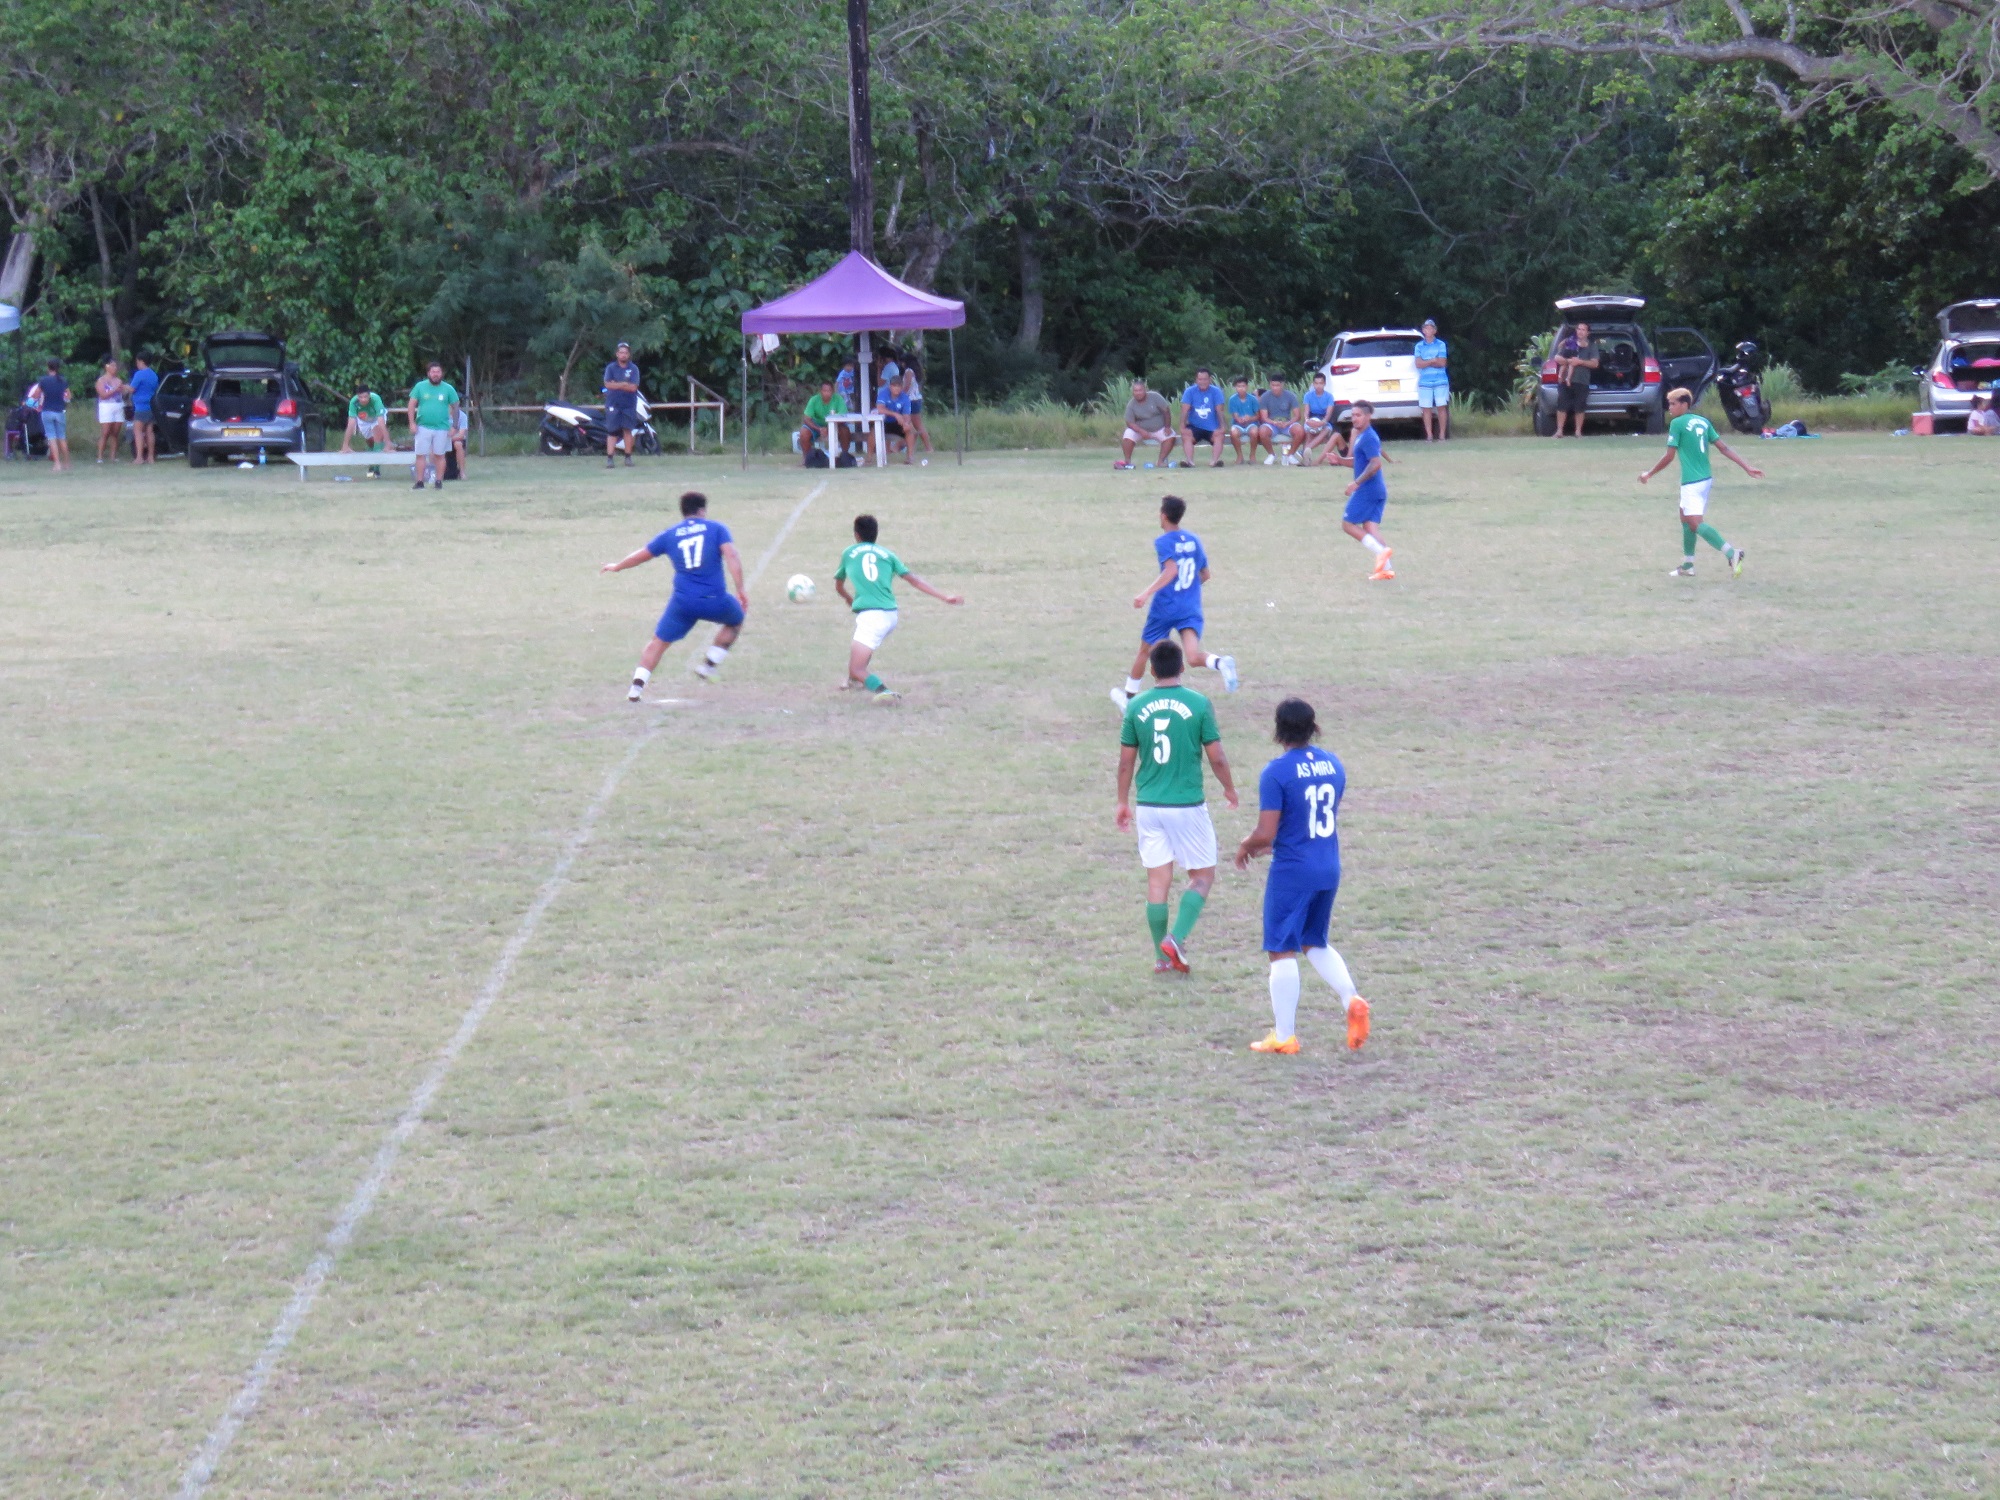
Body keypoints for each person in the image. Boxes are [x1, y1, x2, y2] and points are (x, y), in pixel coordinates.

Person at [1233, 697, 1371, 1055]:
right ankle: (1351, 999)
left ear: (1278, 730)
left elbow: (1266, 832)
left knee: (1281, 949)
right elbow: (1308, 819)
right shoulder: (1333, 765)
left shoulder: (1276, 772)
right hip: (1328, 865)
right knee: (1314, 941)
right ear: (1313, 727)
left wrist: (1247, 845)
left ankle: (1284, 1036)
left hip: (1293, 871)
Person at [1115, 638, 1240, 974]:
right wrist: (1229, 788)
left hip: (1149, 806)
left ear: (1152, 670)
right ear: (1182, 667)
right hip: (1186, 805)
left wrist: (1122, 802)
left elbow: (1126, 762)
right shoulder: (1198, 703)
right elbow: (1217, 756)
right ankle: (1176, 938)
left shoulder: (1136, 706)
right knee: (1203, 876)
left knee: (1158, 881)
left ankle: (1161, 958)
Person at [601, 490, 748, 700]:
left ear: (683, 511)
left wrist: (617, 566)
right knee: (736, 620)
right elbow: (731, 555)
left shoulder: (670, 534)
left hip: (682, 603)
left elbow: (641, 555)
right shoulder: (717, 529)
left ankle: (635, 689)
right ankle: (708, 665)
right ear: (702, 510)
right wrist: (740, 589)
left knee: (658, 642)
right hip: (714, 599)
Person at [1111, 494, 1239, 711]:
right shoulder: (1193, 540)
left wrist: (1145, 593)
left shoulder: (1163, 542)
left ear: (1163, 516)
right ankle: (1221, 663)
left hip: (1165, 607)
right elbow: (1205, 574)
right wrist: (1187, 591)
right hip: (1189, 607)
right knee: (1193, 657)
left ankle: (1130, 701)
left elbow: (1171, 570)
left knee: (1145, 651)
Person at [833, 513, 962, 701]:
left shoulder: (849, 553)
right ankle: (854, 682)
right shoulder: (888, 554)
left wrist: (848, 598)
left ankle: (884, 692)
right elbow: (914, 580)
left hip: (871, 617)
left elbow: (838, 586)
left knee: (856, 668)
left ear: (856, 534)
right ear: (876, 533)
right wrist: (944, 597)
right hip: (890, 614)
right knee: (864, 648)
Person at [1638, 386, 1761, 577]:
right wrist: (1747, 467)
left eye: (1673, 404)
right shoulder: (1703, 422)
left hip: (1692, 482)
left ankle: (1732, 553)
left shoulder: (1677, 424)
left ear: (1684, 404)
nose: (1670, 407)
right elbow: (1724, 448)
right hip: (1705, 479)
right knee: (1685, 519)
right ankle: (1688, 565)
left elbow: (1669, 456)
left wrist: (1649, 474)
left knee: (1695, 523)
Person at [1342, 401, 1394, 581]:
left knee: (1347, 525)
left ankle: (1381, 552)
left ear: (1368, 416)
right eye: (1353, 415)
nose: (1354, 419)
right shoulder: (1361, 436)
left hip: (1369, 490)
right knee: (1370, 528)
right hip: (1377, 490)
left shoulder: (1369, 437)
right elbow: (1360, 462)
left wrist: (1356, 483)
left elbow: (1375, 463)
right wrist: (1339, 460)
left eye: (1358, 415)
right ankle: (1386, 570)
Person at [405, 362, 459, 489]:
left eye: (438, 372)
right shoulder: (420, 387)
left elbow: (456, 407)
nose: (436, 374)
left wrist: (454, 426)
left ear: (442, 373)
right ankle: (420, 482)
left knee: (440, 455)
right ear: (428, 373)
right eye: (433, 372)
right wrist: (412, 423)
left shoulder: (448, 389)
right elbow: (411, 405)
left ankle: (438, 481)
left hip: (442, 427)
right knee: (420, 455)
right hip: (423, 426)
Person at [1116, 378, 1178, 470]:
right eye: (1135, 391)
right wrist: (1141, 431)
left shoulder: (1155, 397)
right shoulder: (1131, 404)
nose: (1138, 393)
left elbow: (1166, 411)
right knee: (1128, 435)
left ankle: (1160, 461)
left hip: (1160, 428)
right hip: (1140, 430)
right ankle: (1127, 462)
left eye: (1140, 390)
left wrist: (1167, 426)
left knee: (1171, 437)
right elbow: (1129, 422)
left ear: (1145, 390)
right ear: (1133, 392)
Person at [1552, 321, 1598, 438]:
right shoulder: (1569, 342)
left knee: (1580, 406)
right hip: (1564, 381)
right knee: (1562, 405)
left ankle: (1578, 432)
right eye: (1579, 329)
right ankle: (1559, 431)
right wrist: (1568, 361)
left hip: (1582, 381)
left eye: (1583, 329)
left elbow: (1595, 364)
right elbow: (1557, 357)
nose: (1580, 331)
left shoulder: (1592, 346)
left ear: (1587, 333)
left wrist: (1580, 362)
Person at [340, 380, 394, 478]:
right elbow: (351, 424)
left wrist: (388, 443)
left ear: (369, 395)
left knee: (377, 439)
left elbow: (381, 422)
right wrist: (345, 445)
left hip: (376, 419)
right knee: (370, 443)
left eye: (365, 397)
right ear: (357, 396)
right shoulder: (354, 402)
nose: (363, 399)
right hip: (363, 421)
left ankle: (376, 470)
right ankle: (371, 464)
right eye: (360, 397)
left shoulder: (376, 399)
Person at [602, 341, 642, 468]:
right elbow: (608, 385)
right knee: (612, 431)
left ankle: (628, 458)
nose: (623, 355)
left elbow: (633, 387)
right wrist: (623, 384)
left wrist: (616, 384)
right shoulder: (611, 368)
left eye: (625, 353)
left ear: (628, 354)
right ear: (617, 354)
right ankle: (610, 459)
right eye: (621, 352)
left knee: (627, 430)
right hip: (613, 404)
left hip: (629, 404)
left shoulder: (633, 368)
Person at [1178, 368, 1228, 468]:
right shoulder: (1189, 391)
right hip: (1195, 425)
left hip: (1212, 426)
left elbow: (1220, 411)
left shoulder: (1216, 392)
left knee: (1219, 435)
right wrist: (1182, 427)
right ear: (1196, 380)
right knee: (1186, 435)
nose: (1203, 382)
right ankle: (1189, 461)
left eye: (1205, 379)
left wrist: (1222, 427)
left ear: (1210, 380)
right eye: (1200, 379)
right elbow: (1184, 411)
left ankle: (1214, 461)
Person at [29, 359, 71, 471]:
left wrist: (32, 404)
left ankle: (57, 464)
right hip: (60, 411)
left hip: (47, 411)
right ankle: (67, 463)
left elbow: (35, 395)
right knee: (62, 437)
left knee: (52, 438)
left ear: (48, 367)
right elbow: (68, 396)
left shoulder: (44, 380)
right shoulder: (63, 380)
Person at [1415, 318, 1449, 441]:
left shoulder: (1441, 344)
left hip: (1440, 380)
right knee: (1426, 408)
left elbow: (1442, 362)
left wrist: (1426, 362)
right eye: (1426, 328)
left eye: (1431, 328)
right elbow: (1418, 364)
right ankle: (1429, 435)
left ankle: (1442, 434)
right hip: (1425, 381)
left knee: (1441, 406)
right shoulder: (1419, 346)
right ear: (1423, 330)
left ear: (1435, 330)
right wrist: (1432, 360)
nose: (1428, 330)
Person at [1298, 372, 1343, 465]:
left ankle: (1306, 450)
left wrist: (1322, 423)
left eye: (1321, 383)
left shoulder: (1329, 396)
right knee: (1309, 431)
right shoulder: (1308, 395)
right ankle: (1306, 458)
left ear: (1324, 384)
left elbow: (1328, 414)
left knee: (1326, 430)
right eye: (1316, 383)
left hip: (1324, 422)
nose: (1318, 386)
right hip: (1311, 420)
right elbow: (1306, 412)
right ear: (1313, 384)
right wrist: (1307, 420)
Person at [1260, 374, 1304, 464]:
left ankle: (1291, 454)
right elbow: (1264, 417)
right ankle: (1271, 454)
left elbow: (1297, 416)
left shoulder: (1290, 396)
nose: (1275, 388)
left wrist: (1288, 423)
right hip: (1271, 424)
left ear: (1282, 385)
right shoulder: (1265, 397)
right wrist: (1274, 422)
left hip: (1287, 423)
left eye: (1277, 385)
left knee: (1299, 430)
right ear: (1270, 385)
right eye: (1273, 385)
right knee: (1262, 431)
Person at [800, 380, 846, 463]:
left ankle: (845, 456)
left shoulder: (838, 399)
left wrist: (828, 428)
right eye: (824, 391)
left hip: (835, 425)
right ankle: (808, 458)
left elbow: (843, 416)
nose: (827, 393)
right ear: (820, 391)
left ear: (833, 391)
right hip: (816, 426)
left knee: (845, 431)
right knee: (803, 433)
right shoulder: (814, 400)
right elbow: (806, 418)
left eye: (829, 391)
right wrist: (819, 429)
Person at [873, 372, 913, 464]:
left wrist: (906, 423)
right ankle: (869, 458)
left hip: (897, 423)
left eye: (899, 386)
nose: (896, 388)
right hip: (884, 422)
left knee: (910, 430)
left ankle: (910, 457)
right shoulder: (883, 394)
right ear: (890, 386)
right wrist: (895, 414)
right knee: (873, 432)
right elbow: (880, 409)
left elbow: (907, 414)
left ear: (902, 387)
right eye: (894, 386)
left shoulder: (905, 398)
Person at [127, 354, 159, 464]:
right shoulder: (153, 375)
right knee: (150, 431)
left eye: (137, 362)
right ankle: (150, 457)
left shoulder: (139, 374)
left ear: (141, 361)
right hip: (151, 406)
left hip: (141, 407)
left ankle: (139, 457)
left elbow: (132, 389)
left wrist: (124, 387)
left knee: (138, 431)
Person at [1226, 377, 1265, 464]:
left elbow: (1257, 415)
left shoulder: (1253, 399)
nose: (1241, 388)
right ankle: (1239, 456)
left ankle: (1252, 455)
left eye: (1243, 386)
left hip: (1251, 424)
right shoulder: (1232, 399)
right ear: (1235, 387)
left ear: (1247, 387)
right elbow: (1234, 414)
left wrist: (1249, 418)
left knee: (1254, 432)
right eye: (1238, 386)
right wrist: (1239, 419)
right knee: (1233, 432)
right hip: (1237, 424)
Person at [95, 359, 127, 464]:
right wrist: (114, 390)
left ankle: (113, 456)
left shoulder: (118, 380)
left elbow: (122, 393)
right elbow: (103, 395)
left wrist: (123, 390)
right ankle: (100, 456)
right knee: (105, 432)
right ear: (107, 367)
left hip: (118, 405)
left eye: (115, 366)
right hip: (106, 406)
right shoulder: (101, 381)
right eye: (112, 366)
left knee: (115, 433)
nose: (115, 368)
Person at [902, 361, 935, 455]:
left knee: (917, 425)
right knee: (914, 425)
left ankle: (928, 447)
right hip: (915, 399)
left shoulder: (908, 371)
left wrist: (900, 395)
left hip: (911, 400)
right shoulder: (913, 371)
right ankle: (916, 446)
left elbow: (907, 385)